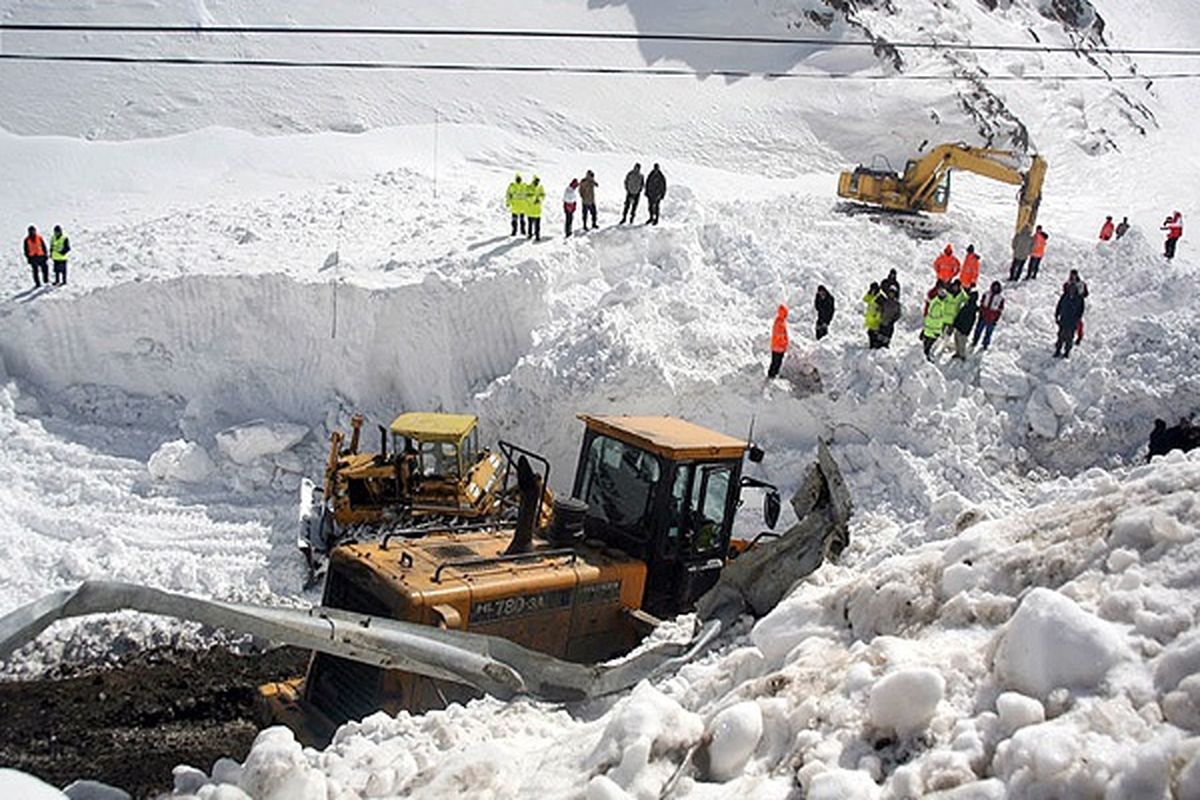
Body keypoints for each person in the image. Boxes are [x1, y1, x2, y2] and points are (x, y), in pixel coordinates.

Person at [922, 284, 953, 360]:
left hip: (930, 327)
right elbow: (936, 319)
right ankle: (925, 355)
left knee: (928, 342)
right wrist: (937, 330)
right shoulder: (938, 304)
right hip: (933, 328)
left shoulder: (937, 302)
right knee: (929, 343)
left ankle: (925, 354)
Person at [1054, 281, 1085, 358]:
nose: (1071, 290)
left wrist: (1077, 319)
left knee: (1069, 337)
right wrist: (1057, 315)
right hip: (1064, 319)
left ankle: (1067, 352)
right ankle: (1058, 350)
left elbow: (1081, 310)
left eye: (1073, 289)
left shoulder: (1079, 299)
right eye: (1070, 289)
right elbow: (1059, 305)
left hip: (1072, 321)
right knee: (1060, 336)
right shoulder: (1065, 296)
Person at [972, 281, 1004, 351]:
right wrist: (981, 313)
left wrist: (996, 319)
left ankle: (985, 344)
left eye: (997, 287)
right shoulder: (986, 294)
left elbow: (1000, 310)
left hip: (992, 318)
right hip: (983, 316)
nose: (995, 288)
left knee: (988, 333)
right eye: (994, 286)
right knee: (978, 330)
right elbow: (982, 303)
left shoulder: (1000, 298)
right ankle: (975, 341)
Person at [1064, 269, 1089, 345]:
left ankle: (1079, 336)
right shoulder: (1067, 283)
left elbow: (1086, 294)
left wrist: (1080, 295)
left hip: (1077, 304)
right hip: (1069, 304)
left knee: (1078, 321)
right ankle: (1065, 337)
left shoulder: (1081, 284)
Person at [952, 289, 978, 359]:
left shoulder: (972, 308)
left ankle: (962, 355)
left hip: (963, 329)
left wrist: (967, 331)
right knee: (957, 341)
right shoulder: (967, 304)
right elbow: (960, 314)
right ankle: (958, 353)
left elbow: (971, 321)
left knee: (961, 343)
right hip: (960, 327)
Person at [768, 304, 789, 378]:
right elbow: (780, 335)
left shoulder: (779, 320)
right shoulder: (780, 322)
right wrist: (784, 344)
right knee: (777, 362)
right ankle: (772, 375)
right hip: (779, 346)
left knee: (775, 362)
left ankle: (772, 374)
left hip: (776, 346)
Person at [863, 282, 883, 348]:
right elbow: (865, 299)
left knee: (874, 333)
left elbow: (881, 309)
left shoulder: (880, 297)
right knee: (870, 333)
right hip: (870, 318)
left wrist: (877, 317)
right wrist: (869, 293)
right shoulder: (872, 296)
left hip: (876, 319)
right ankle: (872, 345)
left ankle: (875, 346)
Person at [526, 176, 545, 241]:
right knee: (530, 224)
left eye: (538, 181)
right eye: (536, 181)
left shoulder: (540, 187)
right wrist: (534, 199)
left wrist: (539, 199)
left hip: (537, 209)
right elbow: (527, 197)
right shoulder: (528, 187)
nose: (537, 182)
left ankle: (537, 235)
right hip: (530, 209)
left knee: (537, 224)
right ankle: (530, 234)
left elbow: (543, 195)